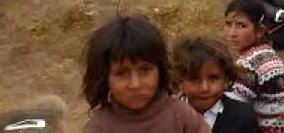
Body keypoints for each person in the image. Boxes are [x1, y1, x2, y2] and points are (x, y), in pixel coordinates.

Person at [81, 14, 211, 133]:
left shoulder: (181, 116)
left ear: (160, 70)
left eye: (145, 70)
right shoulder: (100, 128)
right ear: (104, 78)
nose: (135, 85)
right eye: (122, 73)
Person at [224, 0, 284, 132]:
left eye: (241, 25)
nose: (232, 33)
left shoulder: (251, 64)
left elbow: (230, 108)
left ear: (259, 31)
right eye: (228, 24)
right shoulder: (266, 53)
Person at [172, 36, 259, 133]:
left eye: (213, 79)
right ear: (179, 81)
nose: (204, 88)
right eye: (195, 79)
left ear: (226, 80)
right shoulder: (169, 116)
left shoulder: (244, 116)